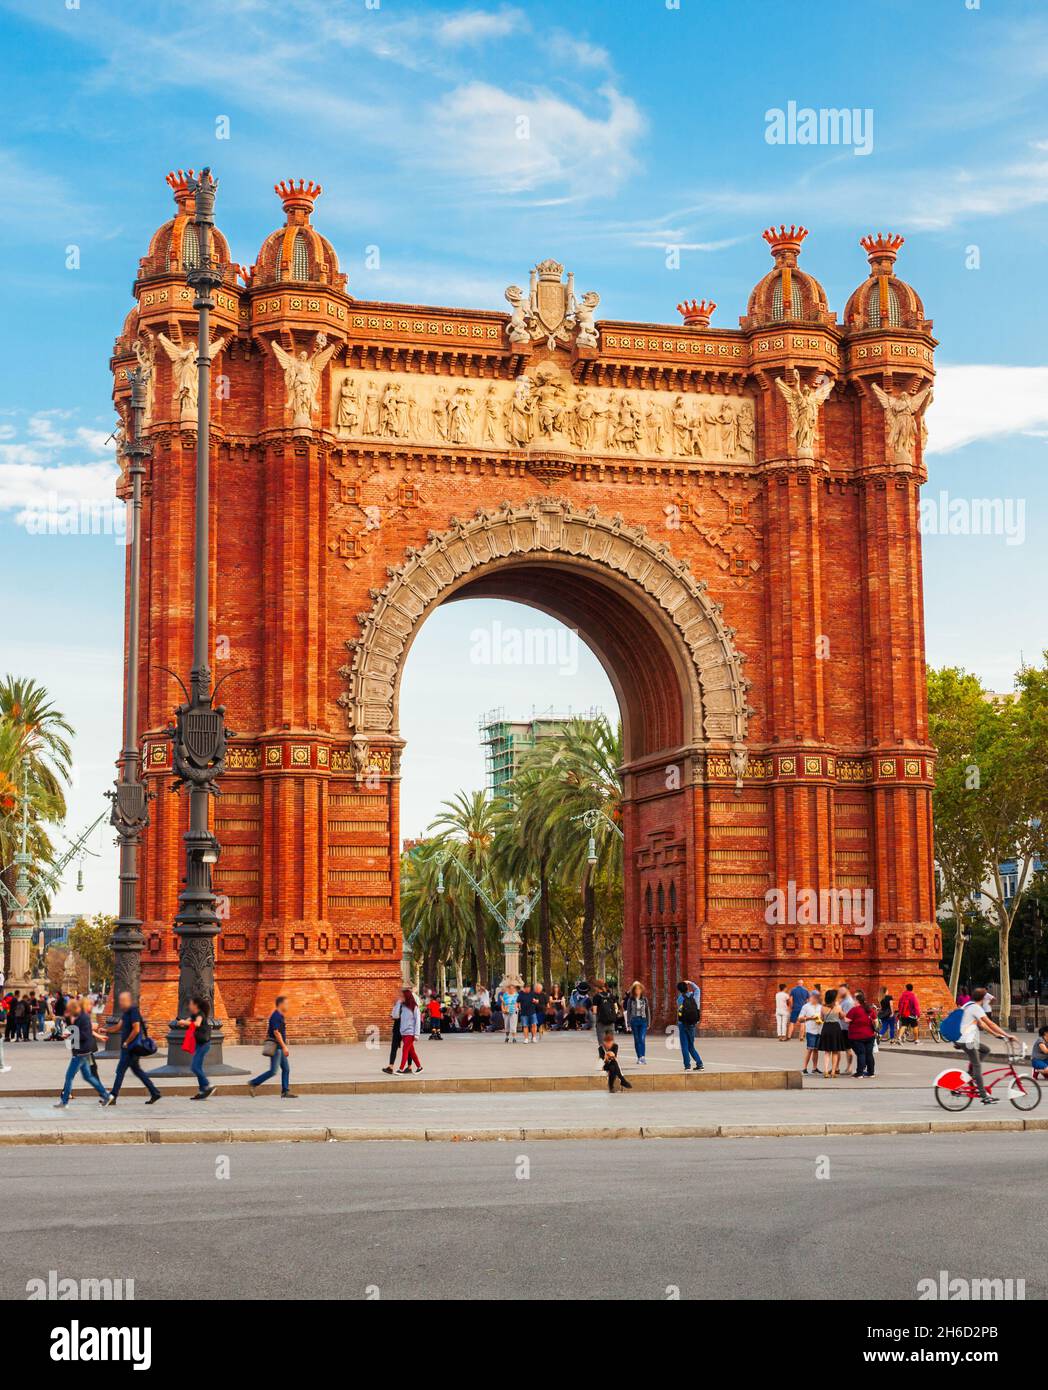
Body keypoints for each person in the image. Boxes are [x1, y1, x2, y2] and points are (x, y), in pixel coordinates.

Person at [956, 988, 1017, 1103]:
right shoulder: (976, 1008)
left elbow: (982, 1024)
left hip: (962, 1039)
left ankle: (971, 1074)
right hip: (966, 1040)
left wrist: (996, 1035)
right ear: (983, 998)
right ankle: (984, 1096)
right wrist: (1007, 1035)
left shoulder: (969, 1005)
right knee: (977, 1065)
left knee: (985, 1050)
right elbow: (990, 1023)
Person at [106, 990, 161, 1105]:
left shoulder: (133, 1011)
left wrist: (126, 1042)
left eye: (122, 1000)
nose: (120, 1003)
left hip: (131, 1047)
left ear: (128, 1001)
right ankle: (155, 1092)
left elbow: (136, 1029)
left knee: (120, 1071)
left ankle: (113, 1096)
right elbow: (118, 1027)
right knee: (137, 1071)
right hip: (129, 1048)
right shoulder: (125, 1013)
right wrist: (106, 1030)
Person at [54, 999, 112, 1108]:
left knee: (69, 1076)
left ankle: (64, 1101)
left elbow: (85, 1035)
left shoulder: (83, 1018)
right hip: (82, 1052)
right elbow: (79, 1032)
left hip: (81, 1052)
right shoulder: (78, 1018)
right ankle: (106, 1095)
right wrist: (69, 1034)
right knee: (88, 1076)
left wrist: (71, 1036)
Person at [248, 995, 297, 1097]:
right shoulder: (276, 1016)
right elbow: (276, 1032)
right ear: (281, 1004)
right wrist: (284, 1046)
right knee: (273, 1071)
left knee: (286, 1069)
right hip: (277, 1048)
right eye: (286, 1004)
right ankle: (253, 1083)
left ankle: (285, 1091)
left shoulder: (280, 1016)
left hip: (279, 1047)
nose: (288, 1006)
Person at [177, 996, 214, 1100]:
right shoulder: (193, 1015)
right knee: (197, 1067)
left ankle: (207, 1085)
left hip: (204, 1044)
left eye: (191, 1004)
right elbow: (187, 1022)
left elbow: (197, 1024)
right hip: (199, 1043)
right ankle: (203, 1090)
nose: (189, 1005)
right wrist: (182, 1023)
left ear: (195, 1005)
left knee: (194, 1067)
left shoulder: (200, 1014)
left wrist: (184, 1022)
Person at [846, 990, 878, 1078]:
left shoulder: (854, 1010)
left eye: (854, 1000)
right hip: (870, 1035)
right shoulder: (869, 1009)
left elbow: (847, 1020)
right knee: (869, 1054)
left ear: (857, 1001)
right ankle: (871, 1072)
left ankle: (859, 1073)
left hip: (857, 1036)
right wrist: (874, 1029)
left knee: (861, 1054)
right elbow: (875, 1020)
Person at [676, 978, 704, 1072]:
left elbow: (679, 1012)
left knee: (684, 1046)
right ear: (687, 988)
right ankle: (700, 1064)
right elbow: (698, 989)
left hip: (682, 1024)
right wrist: (690, 983)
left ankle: (687, 1066)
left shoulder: (679, 999)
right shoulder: (694, 996)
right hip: (692, 1024)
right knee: (691, 1046)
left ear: (679, 990)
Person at [818, 988, 845, 1078]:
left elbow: (821, 1019)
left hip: (826, 1028)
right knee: (835, 1052)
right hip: (835, 1028)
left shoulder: (823, 1007)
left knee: (827, 1052)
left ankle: (825, 1071)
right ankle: (833, 1072)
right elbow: (842, 1017)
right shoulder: (838, 1007)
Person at [394, 988, 422, 1074]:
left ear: (407, 996)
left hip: (411, 1033)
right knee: (411, 1052)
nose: (401, 998)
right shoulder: (402, 1006)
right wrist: (398, 1003)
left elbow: (418, 1021)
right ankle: (419, 1067)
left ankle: (401, 1068)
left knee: (405, 1049)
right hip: (403, 1032)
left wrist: (416, 1034)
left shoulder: (415, 1007)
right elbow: (395, 1016)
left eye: (402, 996)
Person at [798, 989, 823, 1076]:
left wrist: (821, 1019)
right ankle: (804, 1068)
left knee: (816, 1050)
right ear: (811, 997)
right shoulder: (806, 1006)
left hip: (819, 1030)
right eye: (814, 996)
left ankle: (814, 1068)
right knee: (810, 1049)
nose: (815, 998)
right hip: (811, 1030)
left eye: (817, 997)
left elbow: (824, 1017)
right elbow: (800, 1019)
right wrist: (810, 1018)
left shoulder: (821, 1007)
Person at [625, 981, 652, 1063]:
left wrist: (648, 1022)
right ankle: (639, 1057)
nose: (638, 990)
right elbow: (628, 1012)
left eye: (639, 989)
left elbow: (648, 1011)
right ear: (633, 990)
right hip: (634, 1021)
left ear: (641, 990)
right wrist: (628, 1024)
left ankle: (643, 1057)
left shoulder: (644, 999)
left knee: (642, 1038)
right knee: (636, 1039)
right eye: (636, 989)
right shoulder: (630, 1000)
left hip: (643, 1020)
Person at [590, 981, 618, 1057]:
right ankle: (612, 1057)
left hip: (601, 1023)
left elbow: (595, 1011)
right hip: (611, 1022)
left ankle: (603, 1060)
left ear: (597, 987)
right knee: (610, 1041)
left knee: (602, 1044)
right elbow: (616, 1008)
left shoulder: (596, 997)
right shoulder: (611, 996)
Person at [382, 989, 403, 1073]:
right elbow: (394, 1014)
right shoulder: (397, 1003)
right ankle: (391, 1066)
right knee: (394, 1046)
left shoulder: (407, 1003)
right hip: (397, 1025)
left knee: (408, 1048)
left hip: (404, 1025)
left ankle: (409, 1066)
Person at [837, 982, 856, 1075]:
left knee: (848, 1049)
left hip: (846, 1028)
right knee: (846, 1048)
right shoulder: (844, 1000)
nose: (839, 992)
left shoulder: (848, 1002)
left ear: (846, 990)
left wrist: (838, 1012)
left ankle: (849, 1067)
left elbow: (848, 1016)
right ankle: (847, 1067)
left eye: (841, 990)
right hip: (843, 1027)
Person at [498, 978, 520, 1043]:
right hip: (506, 1011)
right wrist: (503, 1009)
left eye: (512, 988)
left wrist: (516, 1007)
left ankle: (514, 1038)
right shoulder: (505, 995)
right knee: (507, 1024)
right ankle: (507, 1037)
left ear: (514, 989)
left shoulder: (517, 995)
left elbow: (518, 1003)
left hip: (513, 1011)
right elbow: (502, 1003)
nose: (511, 989)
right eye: (509, 988)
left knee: (513, 1025)